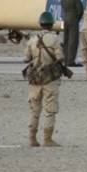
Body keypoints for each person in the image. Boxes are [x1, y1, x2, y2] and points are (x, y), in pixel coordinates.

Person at [23, 12, 66, 147]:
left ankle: (32, 138)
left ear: (40, 24)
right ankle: (47, 139)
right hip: (50, 79)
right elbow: (60, 58)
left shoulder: (32, 40)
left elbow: (26, 59)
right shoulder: (55, 39)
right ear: (51, 25)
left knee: (34, 110)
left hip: (35, 79)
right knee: (50, 110)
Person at [60, 0, 84, 67]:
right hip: (73, 19)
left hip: (65, 18)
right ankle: (71, 60)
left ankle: (66, 59)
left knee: (66, 40)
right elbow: (80, 10)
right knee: (73, 41)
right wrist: (77, 18)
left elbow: (63, 6)